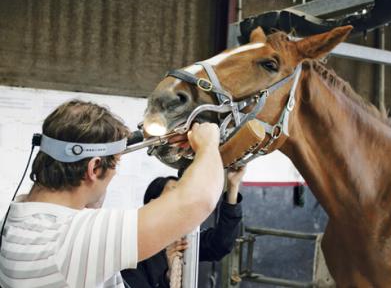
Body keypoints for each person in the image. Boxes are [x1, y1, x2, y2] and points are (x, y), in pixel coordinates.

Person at [0, 100, 224, 288]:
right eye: (116, 165)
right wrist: (208, 144)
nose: (114, 174)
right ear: (94, 168)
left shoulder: (19, 216)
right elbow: (199, 199)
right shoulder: (67, 239)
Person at [121, 166, 246, 288]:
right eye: (173, 194)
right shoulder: (132, 250)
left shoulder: (185, 240)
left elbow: (221, 244)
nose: (180, 202)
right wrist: (169, 276)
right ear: (152, 204)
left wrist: (232, 186)